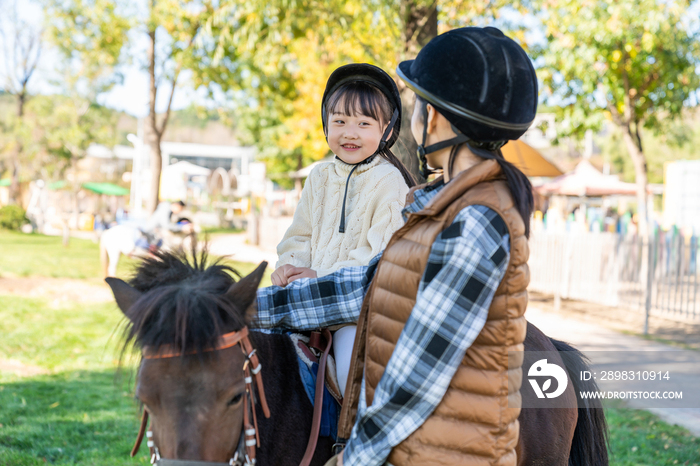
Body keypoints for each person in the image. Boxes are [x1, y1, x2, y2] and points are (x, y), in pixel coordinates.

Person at [255, 26, 537, 466]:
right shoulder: (437, 208)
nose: (418, 118)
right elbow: (364, 286)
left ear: (440, 118)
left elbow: (418, 374)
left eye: (421, 106)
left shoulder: (477, 220)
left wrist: (353, 459)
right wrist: (243, 309)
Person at [271, 64, 415, 397]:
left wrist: (317, 276)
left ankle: (359, 441)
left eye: (364, 124)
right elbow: (298, 236)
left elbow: (375, 258)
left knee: (355, 371)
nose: (350, 132)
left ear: (387, 130)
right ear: (326, 126)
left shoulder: (388, 182)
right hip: (307, 301)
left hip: (358, 311)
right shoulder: (318, 177)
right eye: (340, 121)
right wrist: (288, 269)